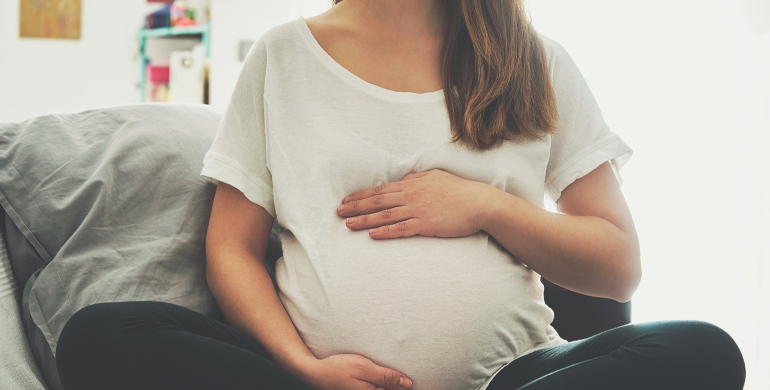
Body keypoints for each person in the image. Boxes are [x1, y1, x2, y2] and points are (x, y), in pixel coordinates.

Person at [55, 1, 746, 389]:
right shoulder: (283, 57)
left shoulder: (535, 61)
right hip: (314, 383)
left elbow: (617, 264)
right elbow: (230, 249)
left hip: (510, 379)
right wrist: (303, 367)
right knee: (100, 335)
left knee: (706, 351)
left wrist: (485, 205)